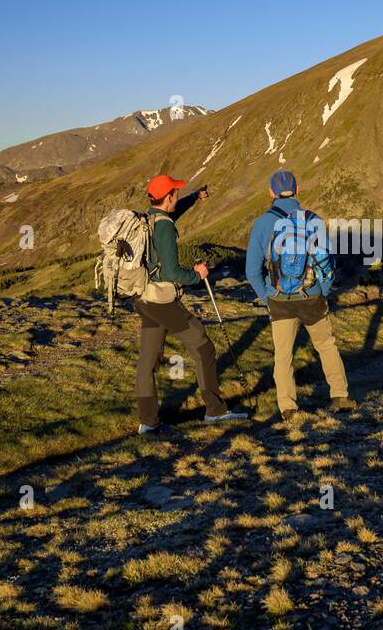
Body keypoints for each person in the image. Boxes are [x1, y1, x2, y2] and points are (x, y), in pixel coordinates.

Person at [134, 174, 247, 433]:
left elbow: (173, 213)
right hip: (164, 302)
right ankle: (216, 411)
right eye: (175, 192)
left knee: (148, 361)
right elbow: (173, 272)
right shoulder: (163, 227)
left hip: (145, 299)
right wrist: (198, 274)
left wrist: (195, 197)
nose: (177, 195)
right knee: (204, 348)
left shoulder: (149, 218)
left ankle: (148, 423)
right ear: (169, 197)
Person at [245, 169, 355, 421]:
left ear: (270, 192)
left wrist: (268, 297)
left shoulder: (262, 224)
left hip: (279, 300)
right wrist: (320, 292)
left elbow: (252, 271)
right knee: (326, 346)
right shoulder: (313, 220)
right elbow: (327, 265)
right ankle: (340, 396)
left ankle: (289, 408)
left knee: (283, 357)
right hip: (312, 297)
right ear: (297, 190)